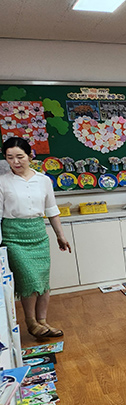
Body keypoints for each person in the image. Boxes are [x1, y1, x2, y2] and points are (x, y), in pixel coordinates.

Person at [0, 137, 72, 340]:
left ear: (30, 155)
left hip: (38, 233)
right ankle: (31, 322)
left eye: (20, 157)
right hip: (13, 236)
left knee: (42, 282)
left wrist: (60, 235)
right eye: (10, 157)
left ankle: (43, 322)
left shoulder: (43, 180)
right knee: (28, 280)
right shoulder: (2, 182)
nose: (15, 161)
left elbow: (51, 210)